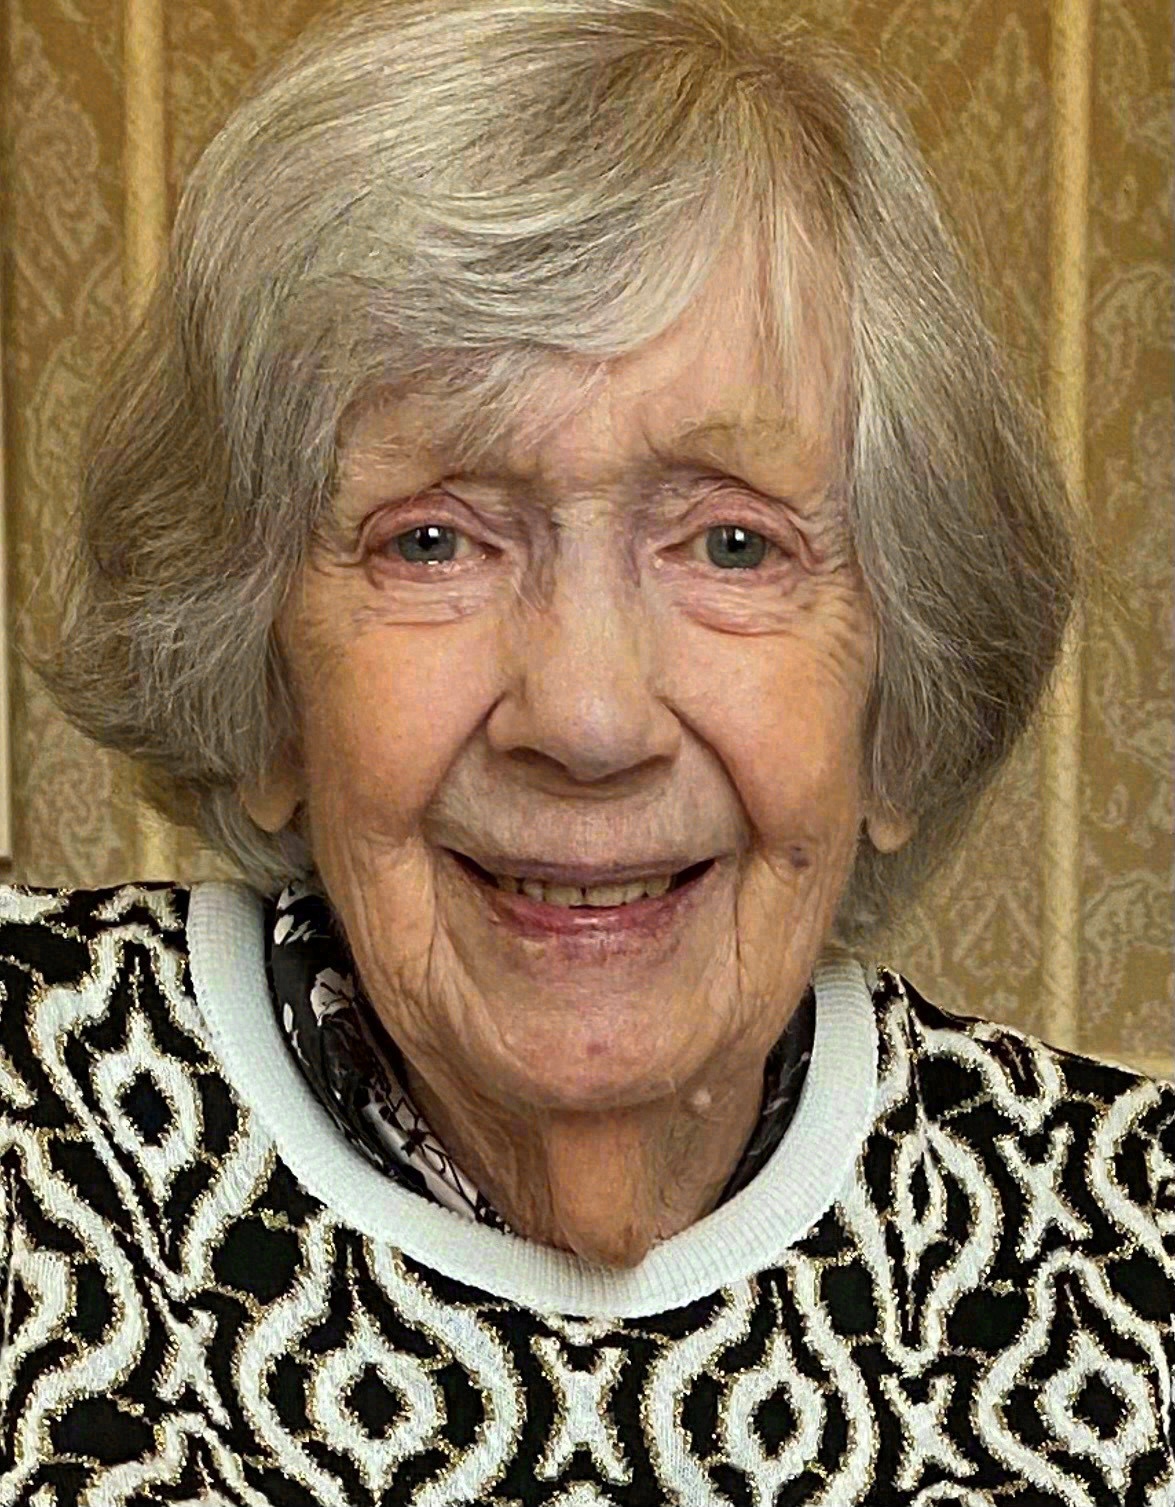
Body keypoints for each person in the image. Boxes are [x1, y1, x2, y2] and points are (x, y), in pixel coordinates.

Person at [1, 0, 1171, 1500]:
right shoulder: (41, 1130)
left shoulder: (1129, 1253)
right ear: (268, 680)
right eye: (434, 541)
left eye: (732, 544)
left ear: (897, 702)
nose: (587, 718)